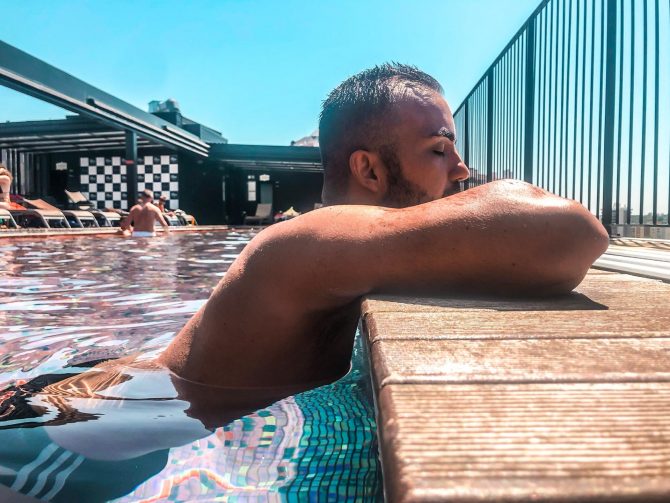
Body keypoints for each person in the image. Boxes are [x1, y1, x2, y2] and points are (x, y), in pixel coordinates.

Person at [158, 63, 609, 391]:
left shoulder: (338, 253)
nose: (462, 170)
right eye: (439, 150)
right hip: (129, 420)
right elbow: (572, 233)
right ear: (369, 170)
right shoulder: (304, 244)